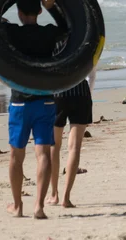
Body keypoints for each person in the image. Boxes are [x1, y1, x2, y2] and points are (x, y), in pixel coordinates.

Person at [1, 0, 68, 219]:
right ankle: (38, 206)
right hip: (46, 100)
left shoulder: (10, 32)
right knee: (43, 154)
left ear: (19, 13)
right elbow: (68, 27)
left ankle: (18, 205)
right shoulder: (49, 33)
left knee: (15, 157)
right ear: (39, 10)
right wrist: (52, 8)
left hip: (20, 102)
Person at [47, 79, 92, 208]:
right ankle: (66, 197)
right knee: (74, 148)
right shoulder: (82, 56)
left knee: (54, 145)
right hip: (81, 93)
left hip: (57, 93)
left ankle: (54, 194)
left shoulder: (53, 56)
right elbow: (91, 71)